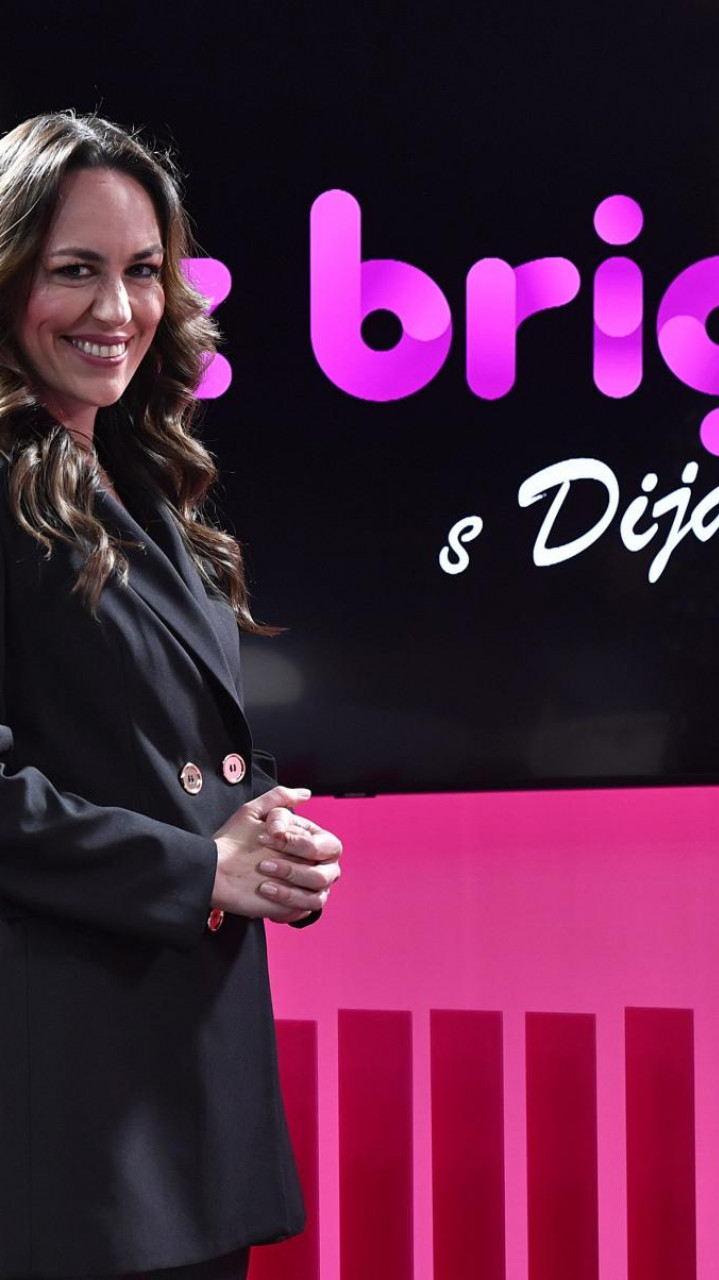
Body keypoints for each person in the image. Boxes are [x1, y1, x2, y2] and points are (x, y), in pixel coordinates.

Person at [0, 112, 341, 1279]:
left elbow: (136, 746)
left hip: (174, 1092)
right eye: (73, 270)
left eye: (141, 270)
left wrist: (260, 844)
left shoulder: (135, 471)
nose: (117, 309)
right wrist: (200, 866)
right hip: (63, 1120)